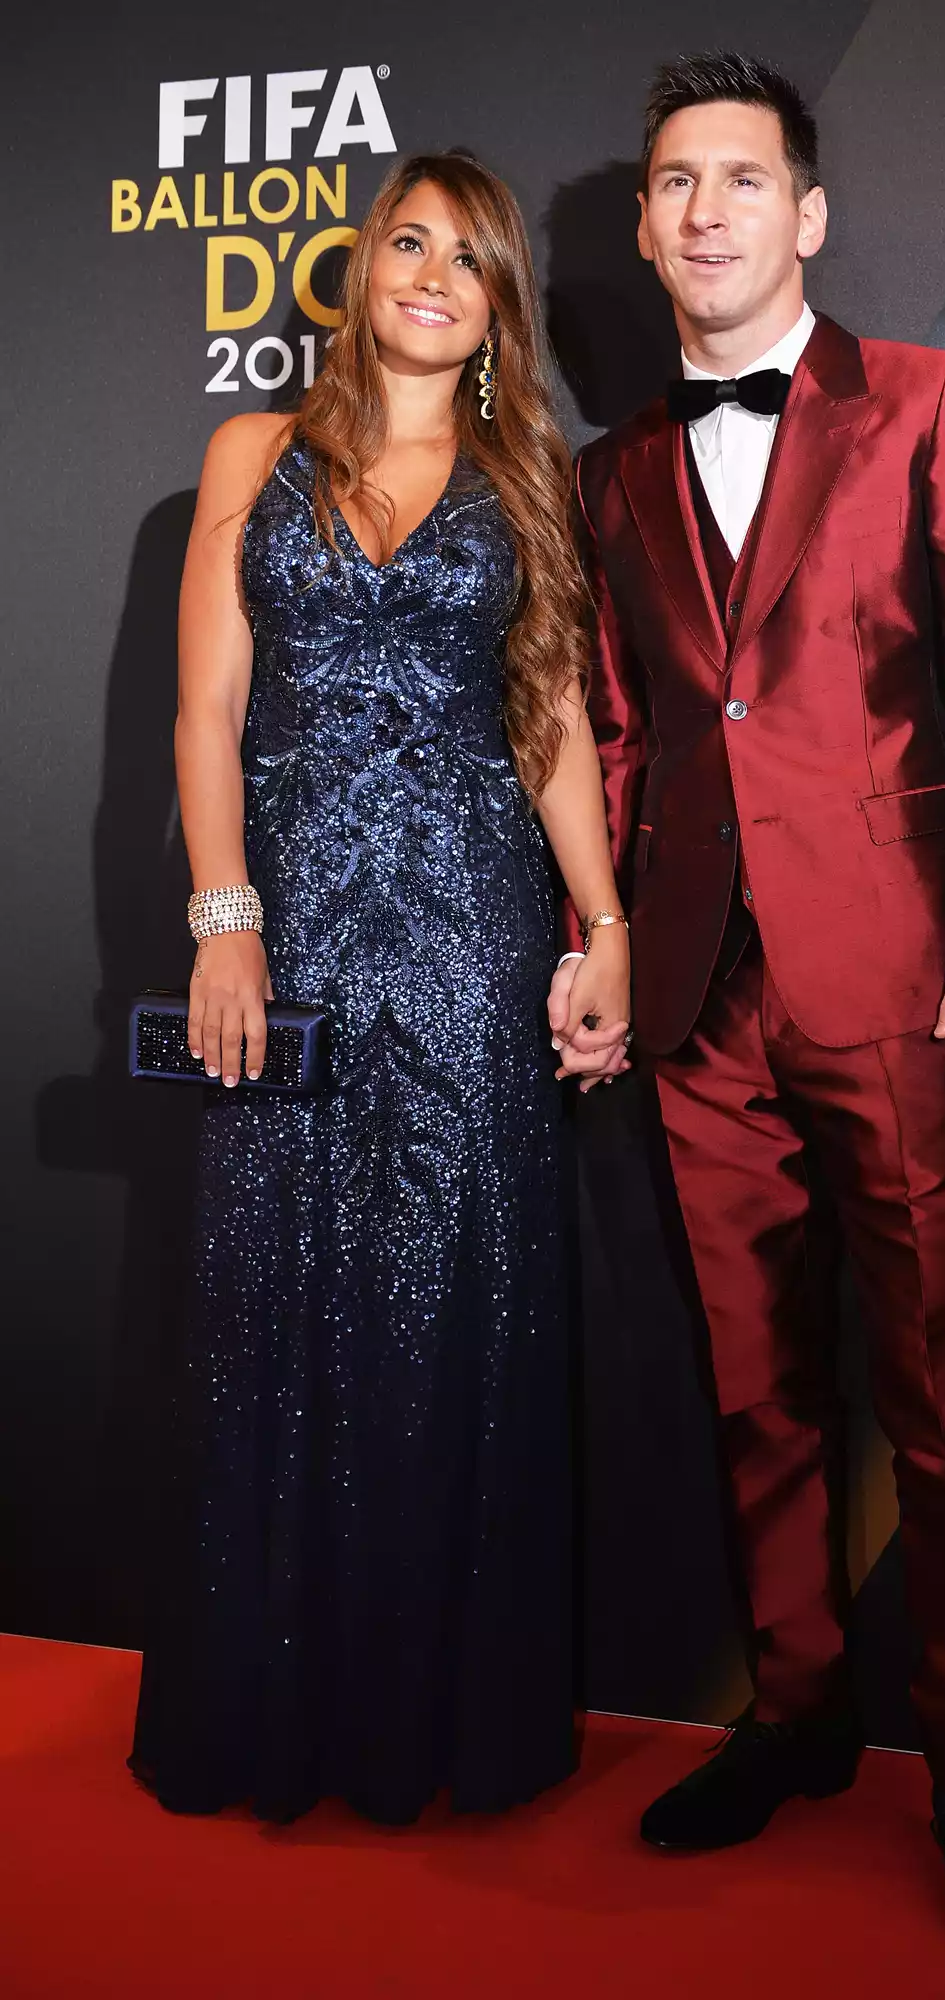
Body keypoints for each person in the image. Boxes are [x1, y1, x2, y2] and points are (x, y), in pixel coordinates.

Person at [550, 53, 945, 1961]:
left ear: (808, 214)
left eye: (742, 180)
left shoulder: (928, 404)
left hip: (908, 981)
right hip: (700, 998)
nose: (706, 211)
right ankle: (795, 1711)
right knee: (760, 1395)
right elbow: (620, 729)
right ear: (646, 222)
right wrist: (606, 938)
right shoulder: (610, 473)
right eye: (677, 182)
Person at [130, 150, 630, 1824]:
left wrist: (604, 921)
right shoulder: (252, 454)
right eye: (408, 240)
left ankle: (438, 1722)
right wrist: (225, 916)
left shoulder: (523, 475)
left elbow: (545, 719)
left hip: (474, 942)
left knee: (446, 1316)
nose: (431, 274)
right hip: (296, 939)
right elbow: (207, 712)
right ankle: (281, 1716)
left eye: (469, 261)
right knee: (284, 1302)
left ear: (499, 311)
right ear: (360, 262)